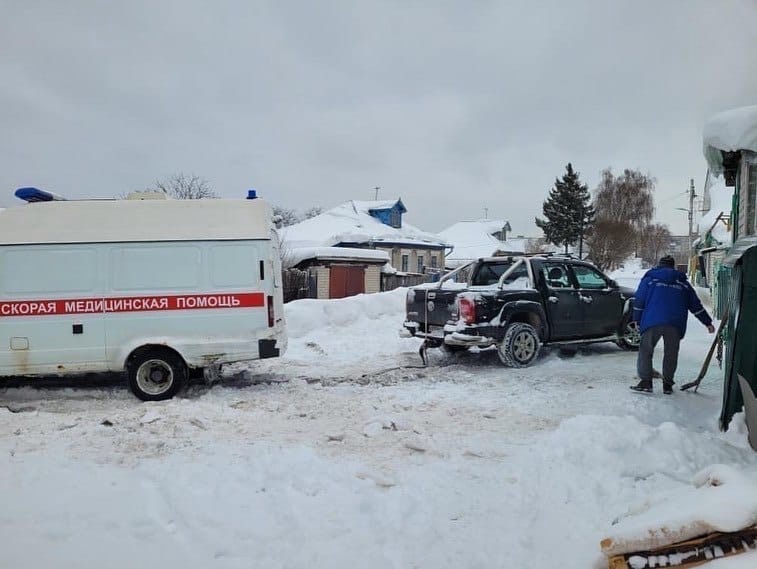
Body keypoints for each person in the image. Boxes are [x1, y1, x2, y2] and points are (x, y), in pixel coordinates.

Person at [630, 255, 715, 394]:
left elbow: (639, 300)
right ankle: (667, 384)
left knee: (646, 350)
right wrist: (708, 323)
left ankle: (646, 382)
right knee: (671, 354)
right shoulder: (683, 283)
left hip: (652, 321)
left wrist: (637, 319)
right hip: (675, 323)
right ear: (673, 266)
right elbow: (695, 305)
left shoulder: (650, 279)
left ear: (660, 265)